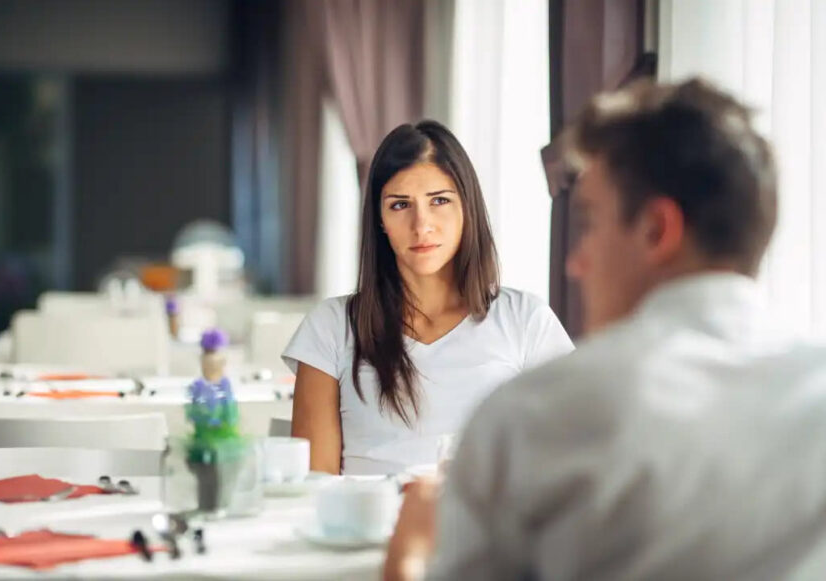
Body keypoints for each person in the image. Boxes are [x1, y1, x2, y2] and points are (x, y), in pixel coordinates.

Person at [385, 78, 826, 580]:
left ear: (656, 230)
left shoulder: (533, 416)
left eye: (590, 223)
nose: (575, 262)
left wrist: (408, 551)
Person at [282, 120, 573, 475]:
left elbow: (568, 463)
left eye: (439, 201)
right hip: (368, 514)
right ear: (379, 220)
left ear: (467, 207)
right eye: (400, 205)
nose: (422, 225)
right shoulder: (329, 327)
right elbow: (315, 486)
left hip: (486, 512)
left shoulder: (526, 320)